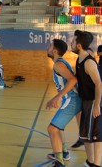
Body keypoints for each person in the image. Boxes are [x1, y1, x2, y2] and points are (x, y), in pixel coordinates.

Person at [45, 39, 82, 167]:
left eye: (50, 46)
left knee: (52, 129)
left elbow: (73, 80)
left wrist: (57, 97)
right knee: (58, 126)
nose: (48, 48)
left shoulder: (58, 65)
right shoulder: (61, 62)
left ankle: (59, 162)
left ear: (54, 51)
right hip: (71, 99)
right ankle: (64, 152)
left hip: (71, 100)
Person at [72, 30, 102, 167]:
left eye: (73, 42)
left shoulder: (89, 63)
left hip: (93, 102)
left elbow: (99, 84)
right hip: (86, 101)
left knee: (96, 135)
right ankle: (90, 161)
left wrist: (96, 105)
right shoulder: (79, 59)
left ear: (78, 45)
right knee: (86, 135)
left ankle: (96, 164)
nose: (70, 44)